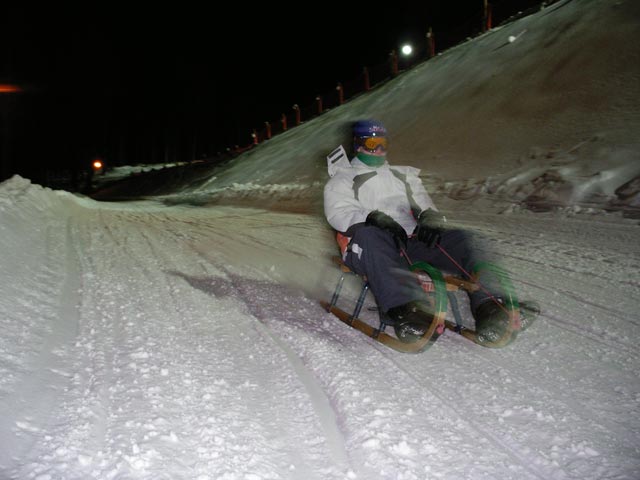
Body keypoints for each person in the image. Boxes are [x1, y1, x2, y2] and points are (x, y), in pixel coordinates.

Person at [323, 119, 511, 343]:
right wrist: (373, 218)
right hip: (368, 246)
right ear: (358, 145)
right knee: (369, 235)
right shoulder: (343, 178)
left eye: (383, 144)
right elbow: (339, 212)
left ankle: (489, 306)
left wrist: (429, 219)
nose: (380, 150)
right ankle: (407, 311)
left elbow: (424, 204)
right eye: (373, 143)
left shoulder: (402, 176)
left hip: (409, 241)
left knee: (463, 239)